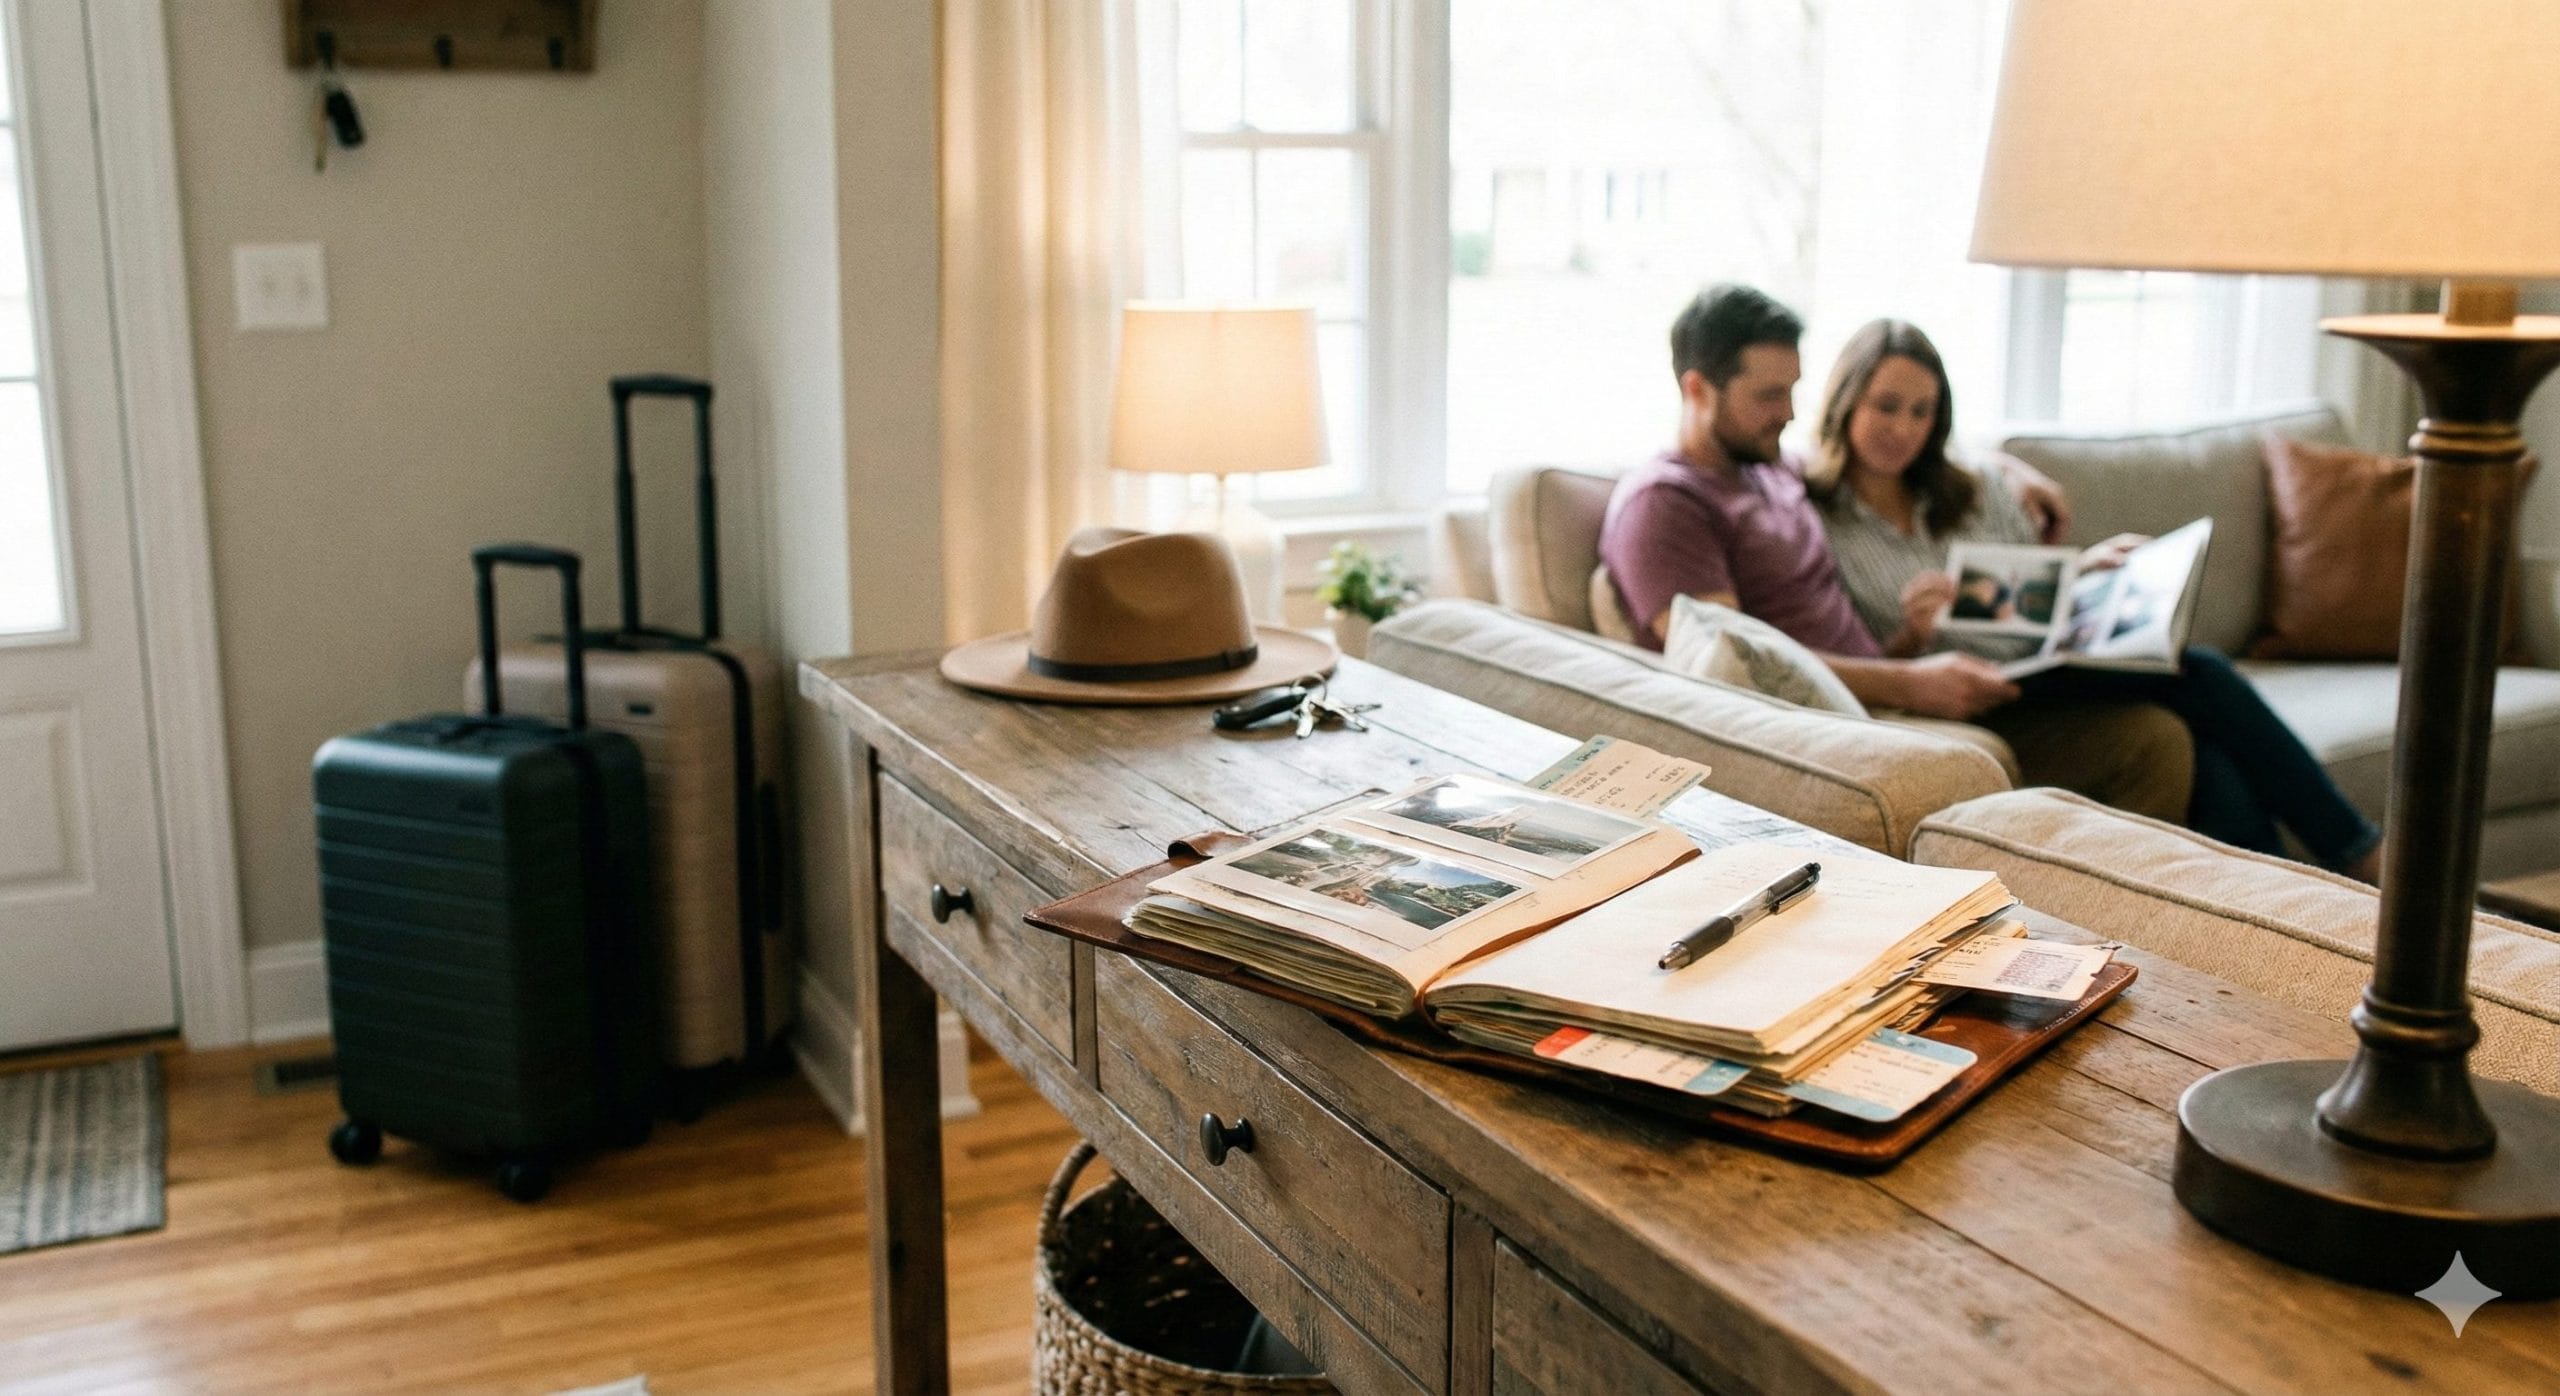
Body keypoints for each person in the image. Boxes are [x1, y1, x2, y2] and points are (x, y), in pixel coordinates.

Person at [1597, 283, 2194, 825]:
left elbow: (1879, 449)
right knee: (2157, 732)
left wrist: (2009, 470)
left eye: (1794, 391)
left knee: (2158, 737)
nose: (1789, 412)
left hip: (1891, 698)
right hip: (1845, 730)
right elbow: (1730, 667)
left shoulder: (1769, 466)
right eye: (1770, 395)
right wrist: (1910, 684)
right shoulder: (1667, 506)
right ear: (1697, 389)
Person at [1808, 316, 2381, 877]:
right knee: (2199, 681)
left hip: (2046, 670)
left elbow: (2027, 595)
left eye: (1921, 412)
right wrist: (1913, 636)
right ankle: (2348, 858)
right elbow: (1873, 664)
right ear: (1845, 402)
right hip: (1970, 696)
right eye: (1886, 406)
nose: (1903, 429)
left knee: (2196, 711)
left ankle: (2288, 892)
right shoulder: (1819, 519)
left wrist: (2084, 574)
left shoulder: (1975, 490)